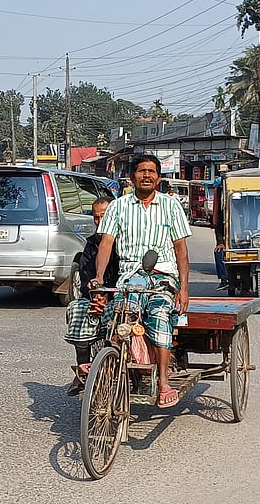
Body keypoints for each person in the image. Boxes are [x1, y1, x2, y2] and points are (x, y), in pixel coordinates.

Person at [94, 155, 192, 408]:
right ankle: (110, 365)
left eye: (151, 171)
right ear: (132, 177)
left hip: (163, 277)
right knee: (118, 314)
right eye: (141, 171)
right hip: (129, 277)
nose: (146, 175)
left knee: (159, 315)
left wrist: (184, 289)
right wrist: (99, 278)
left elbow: (181, 250)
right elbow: (106, 244)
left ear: (158, 178)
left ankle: (163, 381)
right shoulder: (118, 207)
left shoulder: (171, 206)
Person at [64, 198, 119, 395]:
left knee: (120, 317)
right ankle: (83, 370)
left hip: (120, 297)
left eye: (104, 217)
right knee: (77, 308)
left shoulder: (125, 242)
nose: (99, 222)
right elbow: (85, 274)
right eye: (96, 217)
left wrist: (108, 296)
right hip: (96, 296)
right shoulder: (91, 244)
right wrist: (96, 296)